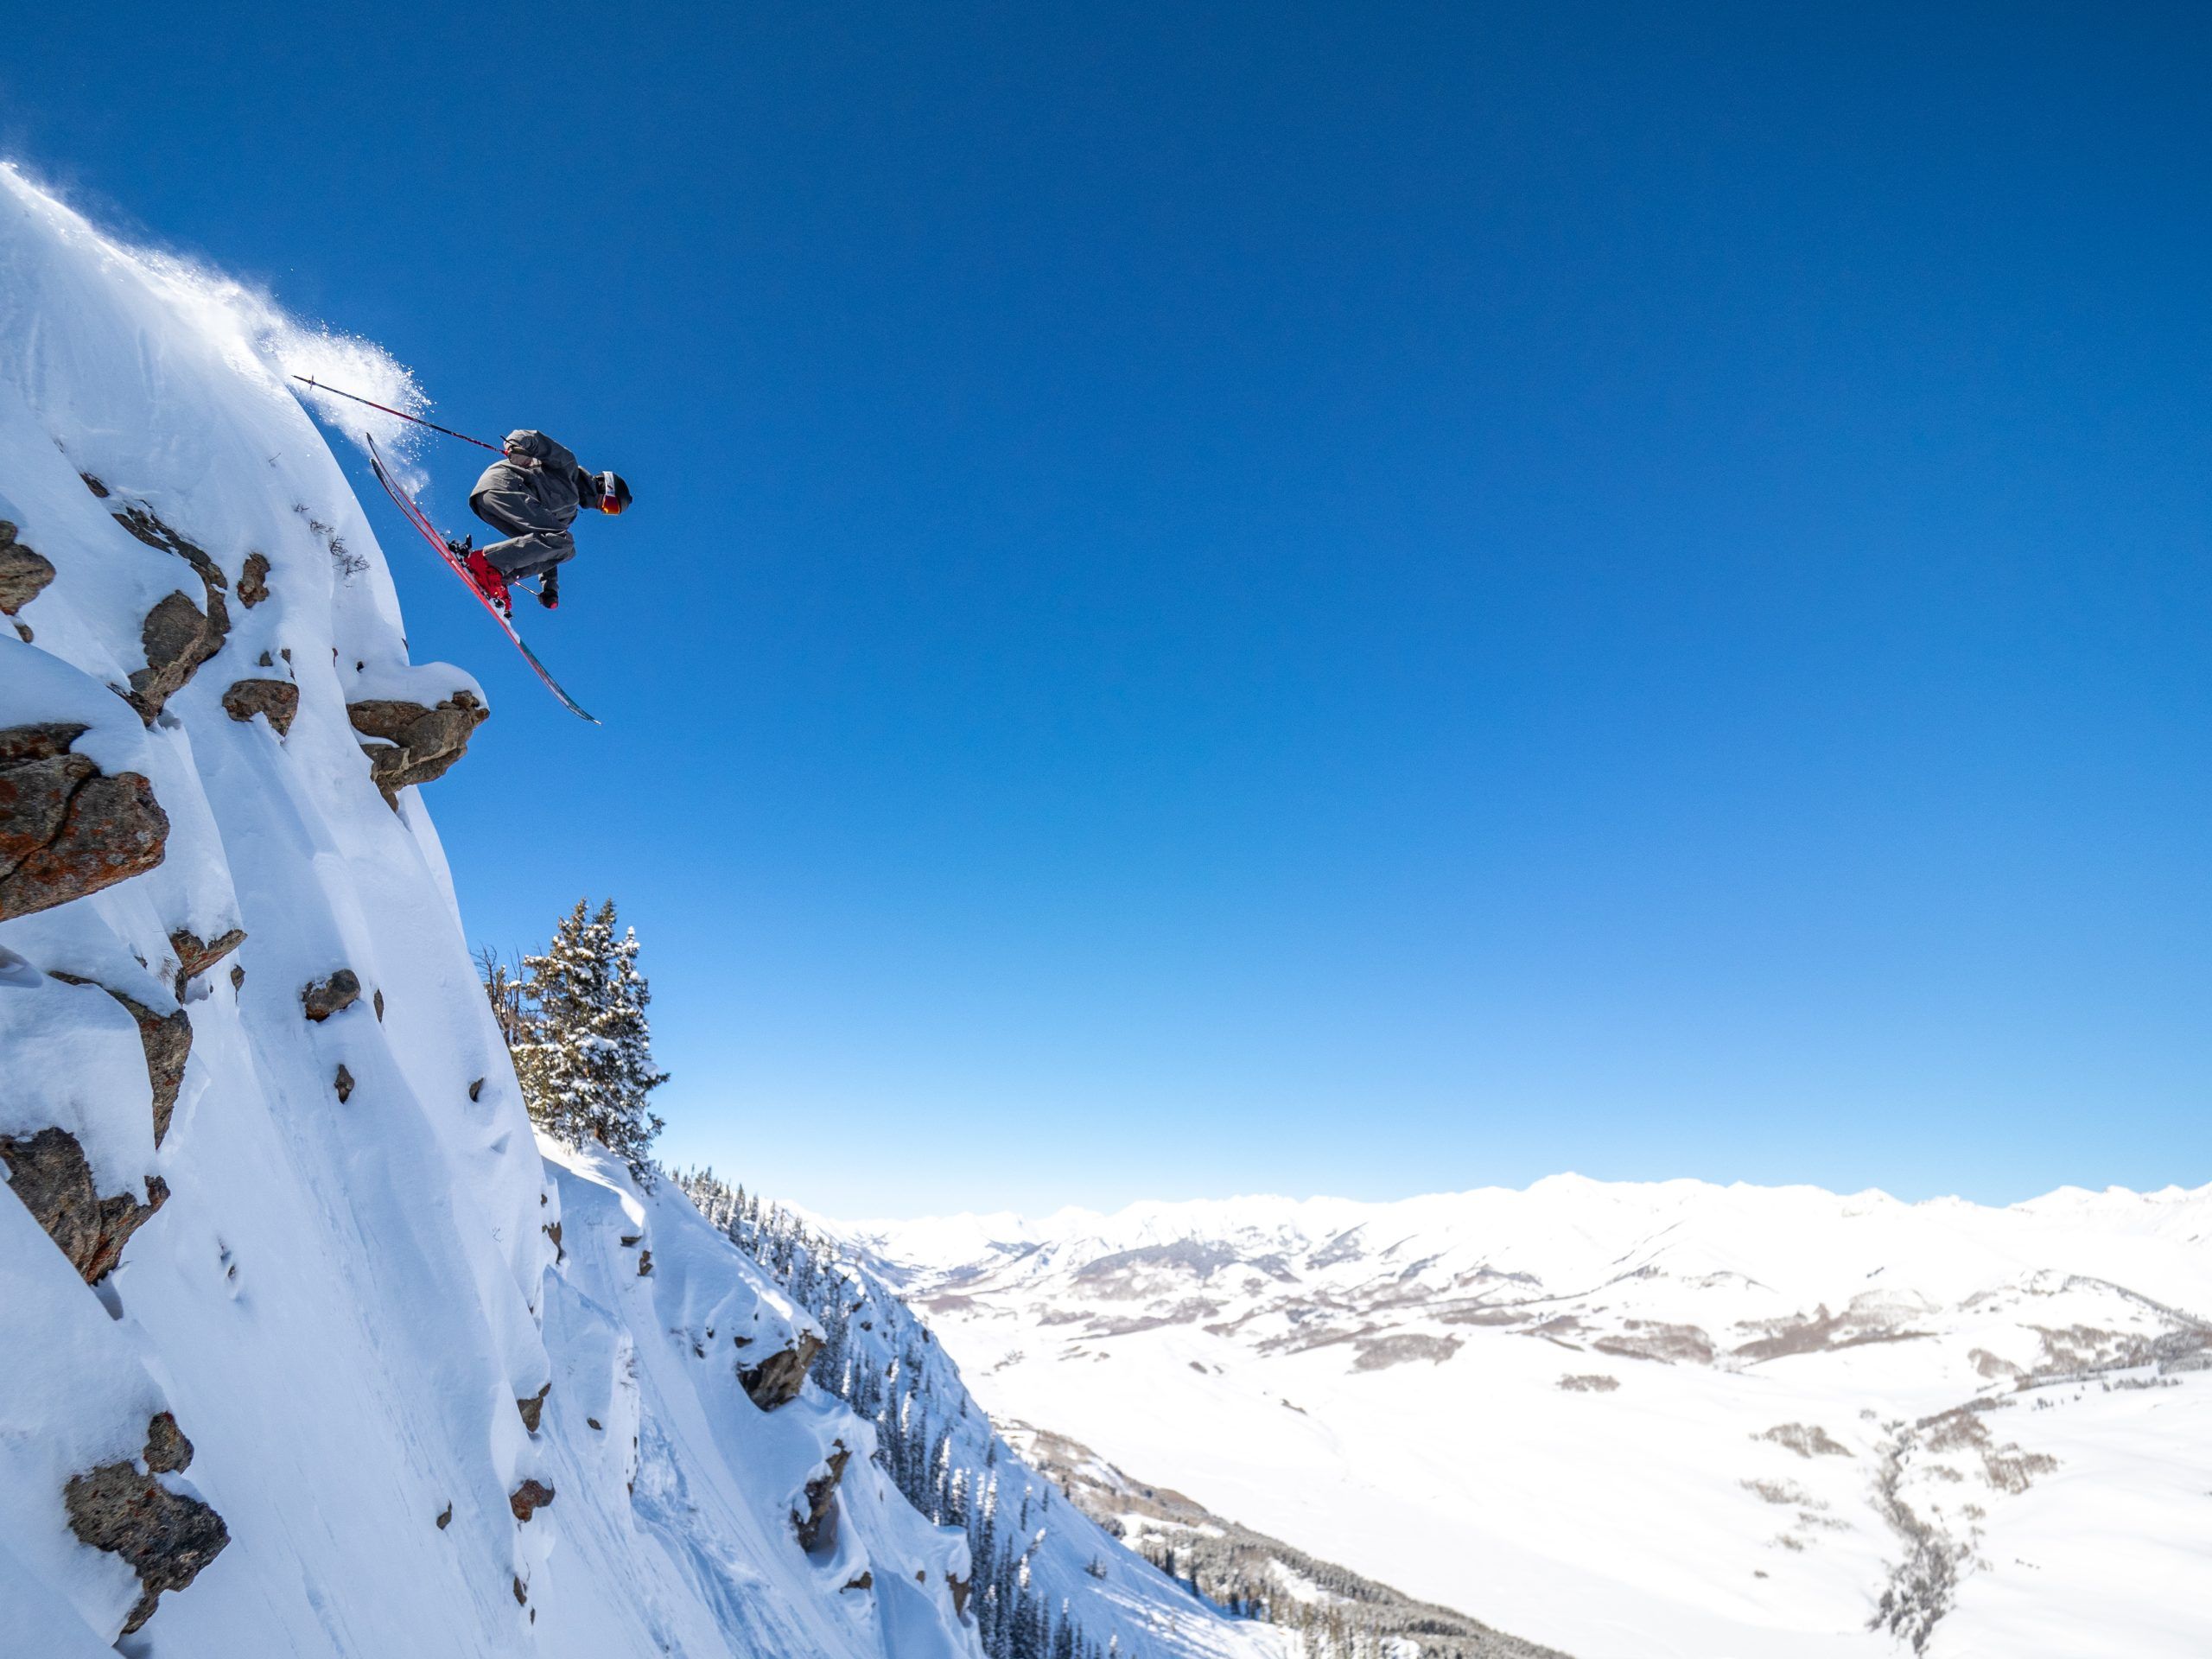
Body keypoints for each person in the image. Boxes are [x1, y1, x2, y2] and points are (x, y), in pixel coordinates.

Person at [449, 430, 630, 611]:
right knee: (564, 541)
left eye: (610, 511)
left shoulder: (569, 514)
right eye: (610, 504)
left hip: (491, 506)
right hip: (505, 485)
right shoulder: (568, 467)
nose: (603, 509)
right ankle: (487, 563)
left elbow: (548, 548)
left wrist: (550, 588)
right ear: (603, 485)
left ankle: (496, 577)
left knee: (566, 550)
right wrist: (516, 447)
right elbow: (532, 438)